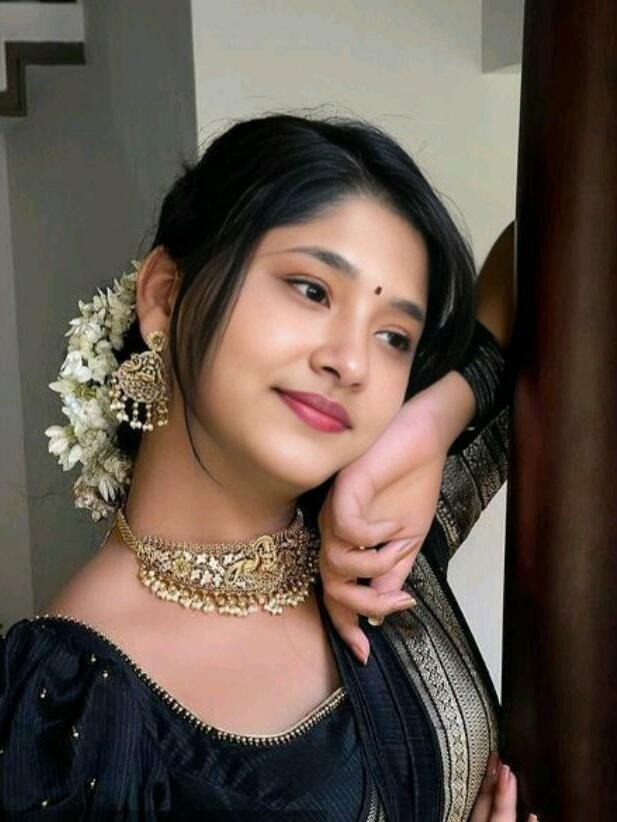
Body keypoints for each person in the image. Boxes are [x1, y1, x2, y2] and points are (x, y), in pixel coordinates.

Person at [0, 113, 537, 821]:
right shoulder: (67, 704)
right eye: (311, 290)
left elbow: (557, 234)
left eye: (393, 337)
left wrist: (431, 422)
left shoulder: (377, 544)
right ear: (165, 296)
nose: (350, 363)